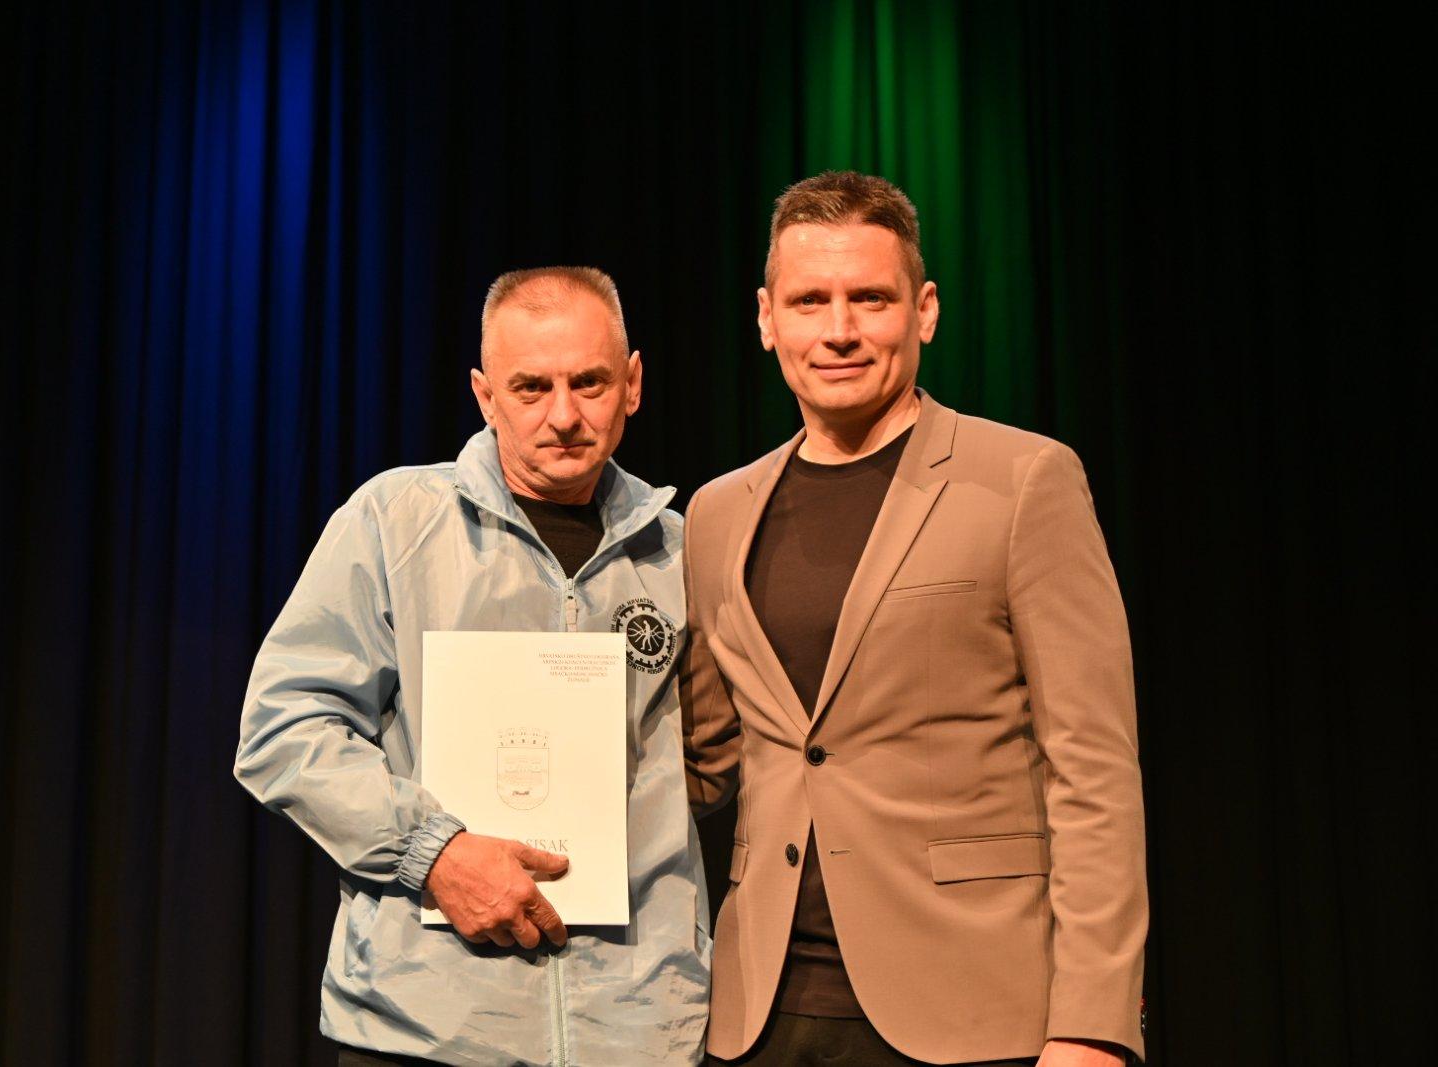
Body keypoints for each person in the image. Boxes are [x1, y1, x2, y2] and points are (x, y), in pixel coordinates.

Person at [680, 172, 1147, 1066]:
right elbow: (705, 757)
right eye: (810, 301)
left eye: (870, 298)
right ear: (767, 319)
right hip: (761, 1012)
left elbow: (1093, 769)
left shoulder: (1024, 480)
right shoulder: (716, 514)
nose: (840, 329)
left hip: (974, 1008)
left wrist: (1094, 1023)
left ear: (923, 310)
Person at [235, 266, 710, 1066]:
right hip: (428, 1025)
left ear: (632, 384)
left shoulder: (683, 551)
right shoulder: (394, 522)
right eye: (532, 387)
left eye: (589, 382)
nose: (565, 414)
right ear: (485, 395)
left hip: (639, 1028)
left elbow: (718, 761)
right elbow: (285, 725)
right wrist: (435, 853)